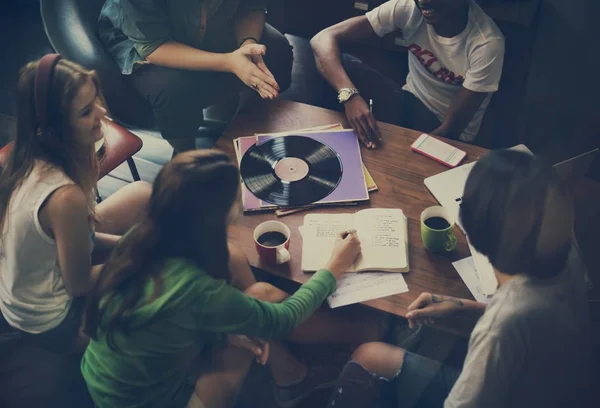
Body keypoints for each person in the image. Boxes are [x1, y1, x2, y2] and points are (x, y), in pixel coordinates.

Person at [81, 149, 386, 408]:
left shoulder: (146, 236)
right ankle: (365, 334)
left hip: (104, 380)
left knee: (246, 294)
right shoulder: (194, 289)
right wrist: (335, 265)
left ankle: (291, 377)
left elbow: (165, 321)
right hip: (155, 400)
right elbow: (284, 318)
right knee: (264, 296)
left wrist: (227, 329)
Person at [324, 150, 592, 407]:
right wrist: (462, 307)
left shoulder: (501, 326)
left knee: (368, 356)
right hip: (563, 377)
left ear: (479, 238)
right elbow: (537, 319)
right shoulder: (563, 250)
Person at [0, 55, 151, 355]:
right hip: (53, 318)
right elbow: (79, 285)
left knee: (142, 193)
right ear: (54, 127)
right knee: (156, 278)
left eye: (95, 100)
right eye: (85, 112)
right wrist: (137, 257)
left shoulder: (31, 154)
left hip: (40, 271)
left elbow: (86, 235)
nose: (102, 112)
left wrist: (126, 244)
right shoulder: (65, 197)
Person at [99, 0, 294, 152]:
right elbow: (153, 46)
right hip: (147, 41)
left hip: (214, 23)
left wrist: (247, 43)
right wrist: (229, 62)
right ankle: (186, 154)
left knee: (277, 51)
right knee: (174, 90)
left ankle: (240, 122)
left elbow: (250, 6)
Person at [311, 0, 505, 148]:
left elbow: (450, 131)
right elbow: (322, 39)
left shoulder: (486, 43)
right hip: (408, 102)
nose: (425, 1)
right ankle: (334, 145)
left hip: (444, 129)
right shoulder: (409, 8)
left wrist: (398, 153)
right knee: (339, 65)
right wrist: (349, 97)